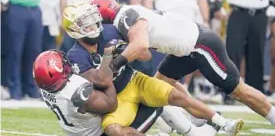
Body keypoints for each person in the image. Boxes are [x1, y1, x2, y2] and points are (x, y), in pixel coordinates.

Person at [74, 0, 275, 126]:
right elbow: (146, 55)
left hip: (200, 46)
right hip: (183, 49)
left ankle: (273, 115)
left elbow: (142, 46)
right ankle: (196, 118)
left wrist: (116, 63)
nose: (94, 24)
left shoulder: (124, 17)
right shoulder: (125, 14)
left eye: (94, 18)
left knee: (237, 90)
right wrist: (124, 49)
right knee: (159, 86)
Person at [67, 23, 220, 136]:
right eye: (85, 25)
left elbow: (145, 55)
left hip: (134, 81)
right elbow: (103, 81)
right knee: (113, 131)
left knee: (173, 95)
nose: (92, 27)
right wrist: (109, 55)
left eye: (92, 22)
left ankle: (216, 123)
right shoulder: (76, 55)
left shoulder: (109, 31)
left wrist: (128, 51)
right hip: (116, 101)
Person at [34, 50, 219, 136]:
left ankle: (186, 127)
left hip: (77, 132)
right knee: (154, 98)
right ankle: (195, 132)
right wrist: (106, 74)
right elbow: (110, 103)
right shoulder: (76, 90)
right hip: (100, 133)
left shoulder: (47, 88)